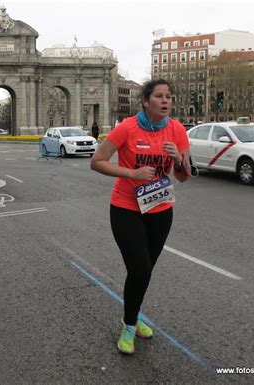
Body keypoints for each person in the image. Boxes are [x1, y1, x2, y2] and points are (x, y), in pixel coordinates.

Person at [90, 79, 191, 355]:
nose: (166, 101)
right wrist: (131, 174)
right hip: (126, 208)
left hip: (160, 210)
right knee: (140, 269)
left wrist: (179, 160)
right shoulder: (127, 127)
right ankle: (129, 325)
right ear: (146, 101)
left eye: (169, 96)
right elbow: (96, 161)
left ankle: (132, 314)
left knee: (144, 272)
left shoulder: (177, 130)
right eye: (159, 96)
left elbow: (184, 176)